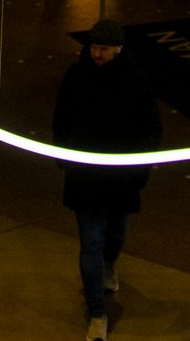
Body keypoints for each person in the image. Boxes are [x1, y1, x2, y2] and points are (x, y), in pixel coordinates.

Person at [53, 18, 162, 341]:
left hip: (120, 177)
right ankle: (97, 311)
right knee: (92, 242)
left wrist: (137, 170)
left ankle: (109, 266)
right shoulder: (76, 77)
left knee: (115, 235)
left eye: (104, 49)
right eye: (94, 47)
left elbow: (151, 129)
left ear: (118, 49)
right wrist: (66, 158)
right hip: (86, 176)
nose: (97, 54)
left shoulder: (136, 82)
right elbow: (62, 119)